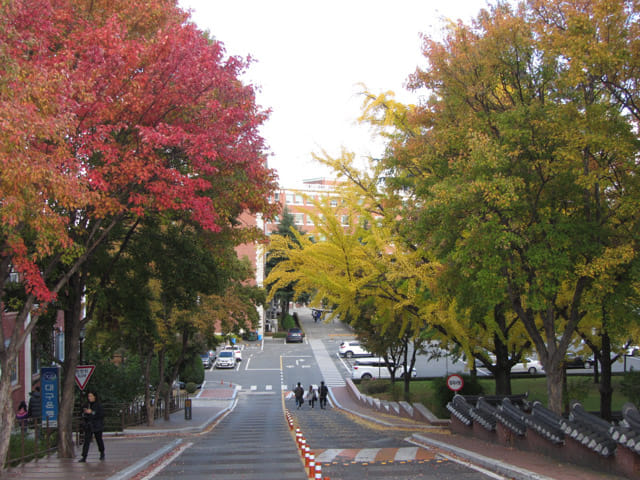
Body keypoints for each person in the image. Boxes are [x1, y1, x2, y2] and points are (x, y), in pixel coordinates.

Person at [79, 390, 105, 462]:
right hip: (89, 425)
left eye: (91, 396)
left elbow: (101, 414)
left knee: (99, 439)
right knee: (86, 441)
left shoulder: (98, 405)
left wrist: (92, 412)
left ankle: (102, 453)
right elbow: (82, 413)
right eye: (88, 396)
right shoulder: (87, 404)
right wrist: (85, 413)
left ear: (95, 397)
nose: (89, 398)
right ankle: (84, 456)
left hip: (97, 425)